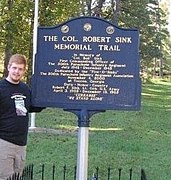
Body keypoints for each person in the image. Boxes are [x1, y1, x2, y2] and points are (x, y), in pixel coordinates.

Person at [0, 54, 44, 179]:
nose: (16, 72)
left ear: (24, 71)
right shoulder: (1, 88)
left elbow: (32, 107)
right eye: (14, 68)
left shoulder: (25, 89)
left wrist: (46, 99)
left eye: (20, 69)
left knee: (17, 177)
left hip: (21, 145)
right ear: (9, 67)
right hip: (4, 143)